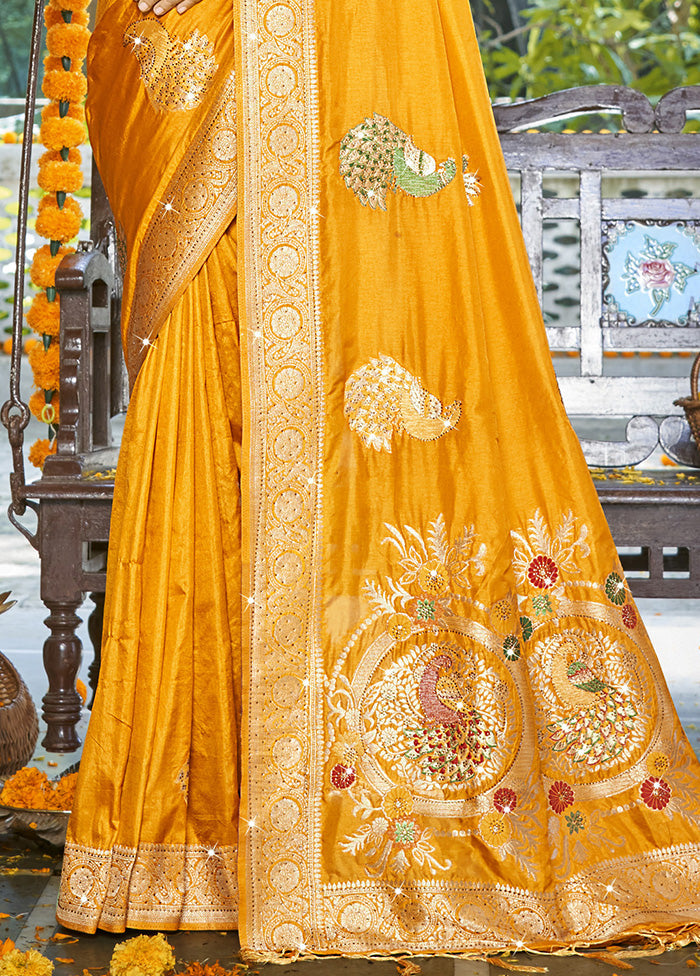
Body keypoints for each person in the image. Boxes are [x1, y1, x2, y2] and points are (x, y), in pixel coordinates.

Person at [57, 0, 700, 960]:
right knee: (214, 364)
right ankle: (198, 827)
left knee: (362, 402)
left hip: (357, 44)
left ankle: (312, 824)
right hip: (223, 68)